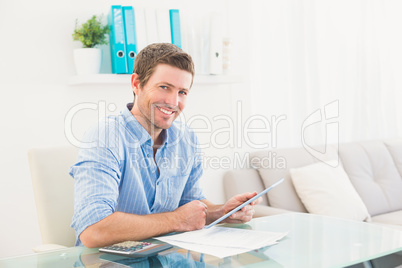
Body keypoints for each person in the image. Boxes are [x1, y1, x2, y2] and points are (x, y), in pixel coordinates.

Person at [70, 43, 261, 248]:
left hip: (165, 258)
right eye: (164, 87)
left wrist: (222, 212)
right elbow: (93, 231)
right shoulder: (105, 136)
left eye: (182, 92)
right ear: (136, 83)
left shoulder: (187, 139)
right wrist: (176, 220)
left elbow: (189, 205)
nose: (173, 101)